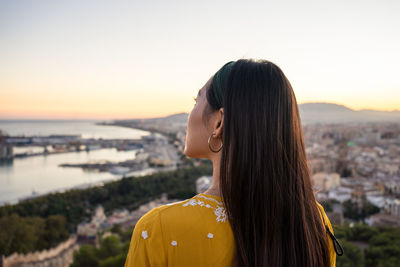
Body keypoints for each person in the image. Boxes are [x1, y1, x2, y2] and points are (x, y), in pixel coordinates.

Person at [124, 59, 342, 266]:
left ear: (219, 122)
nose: (189, 115)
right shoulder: (313, 221)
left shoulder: (159, 229)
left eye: (195, 101)